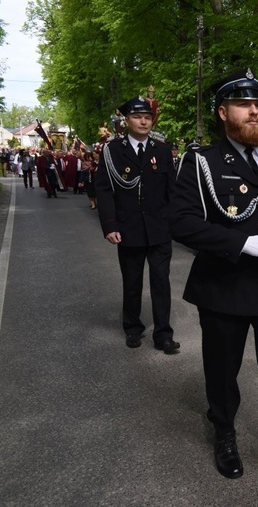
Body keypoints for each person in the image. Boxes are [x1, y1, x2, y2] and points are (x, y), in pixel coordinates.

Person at [169, 68, 258, 497]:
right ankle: (224, 432)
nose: (255, 112)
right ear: (223, 111)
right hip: (224, 284)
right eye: (245, 105)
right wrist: (242, 243)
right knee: (222, 369)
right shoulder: (201, 162)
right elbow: (182, 222)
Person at [94, 97, 178, 355]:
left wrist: (176, 222)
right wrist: (110, 225)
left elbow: (171, 191)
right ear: (126, 120)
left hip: (159, 229)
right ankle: (132, 327)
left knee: (161, 282)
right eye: (137, 117)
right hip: (129, 229)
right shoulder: (112, 151)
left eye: (148, 117)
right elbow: (105, 190)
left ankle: (163, 334)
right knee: (132, 282)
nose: (143, 121)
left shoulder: (162, 150)